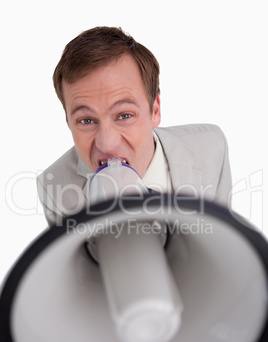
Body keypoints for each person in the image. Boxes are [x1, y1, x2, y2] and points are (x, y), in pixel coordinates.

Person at [37, 26, 232, 227]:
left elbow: (222, 246)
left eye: (124, 115)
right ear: (68, 122)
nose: (107, 145)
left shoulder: (211, 149)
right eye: (86, 120)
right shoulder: (53, 186)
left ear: (155, 111)